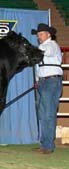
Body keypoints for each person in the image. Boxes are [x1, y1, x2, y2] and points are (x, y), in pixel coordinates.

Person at [32, 23, 63, 154]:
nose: (39, 36)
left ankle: (48, 146)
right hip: (43, 82)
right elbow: (38, 66)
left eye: (41, 34)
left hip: (52, 81)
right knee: (43, 114)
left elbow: (46, 52)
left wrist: (33, 51)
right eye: (38, 35)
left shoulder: (52, 45)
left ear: (48, 34)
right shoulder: (41, 47)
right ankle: (45, 144)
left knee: (48, 114)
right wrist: (37, 80)